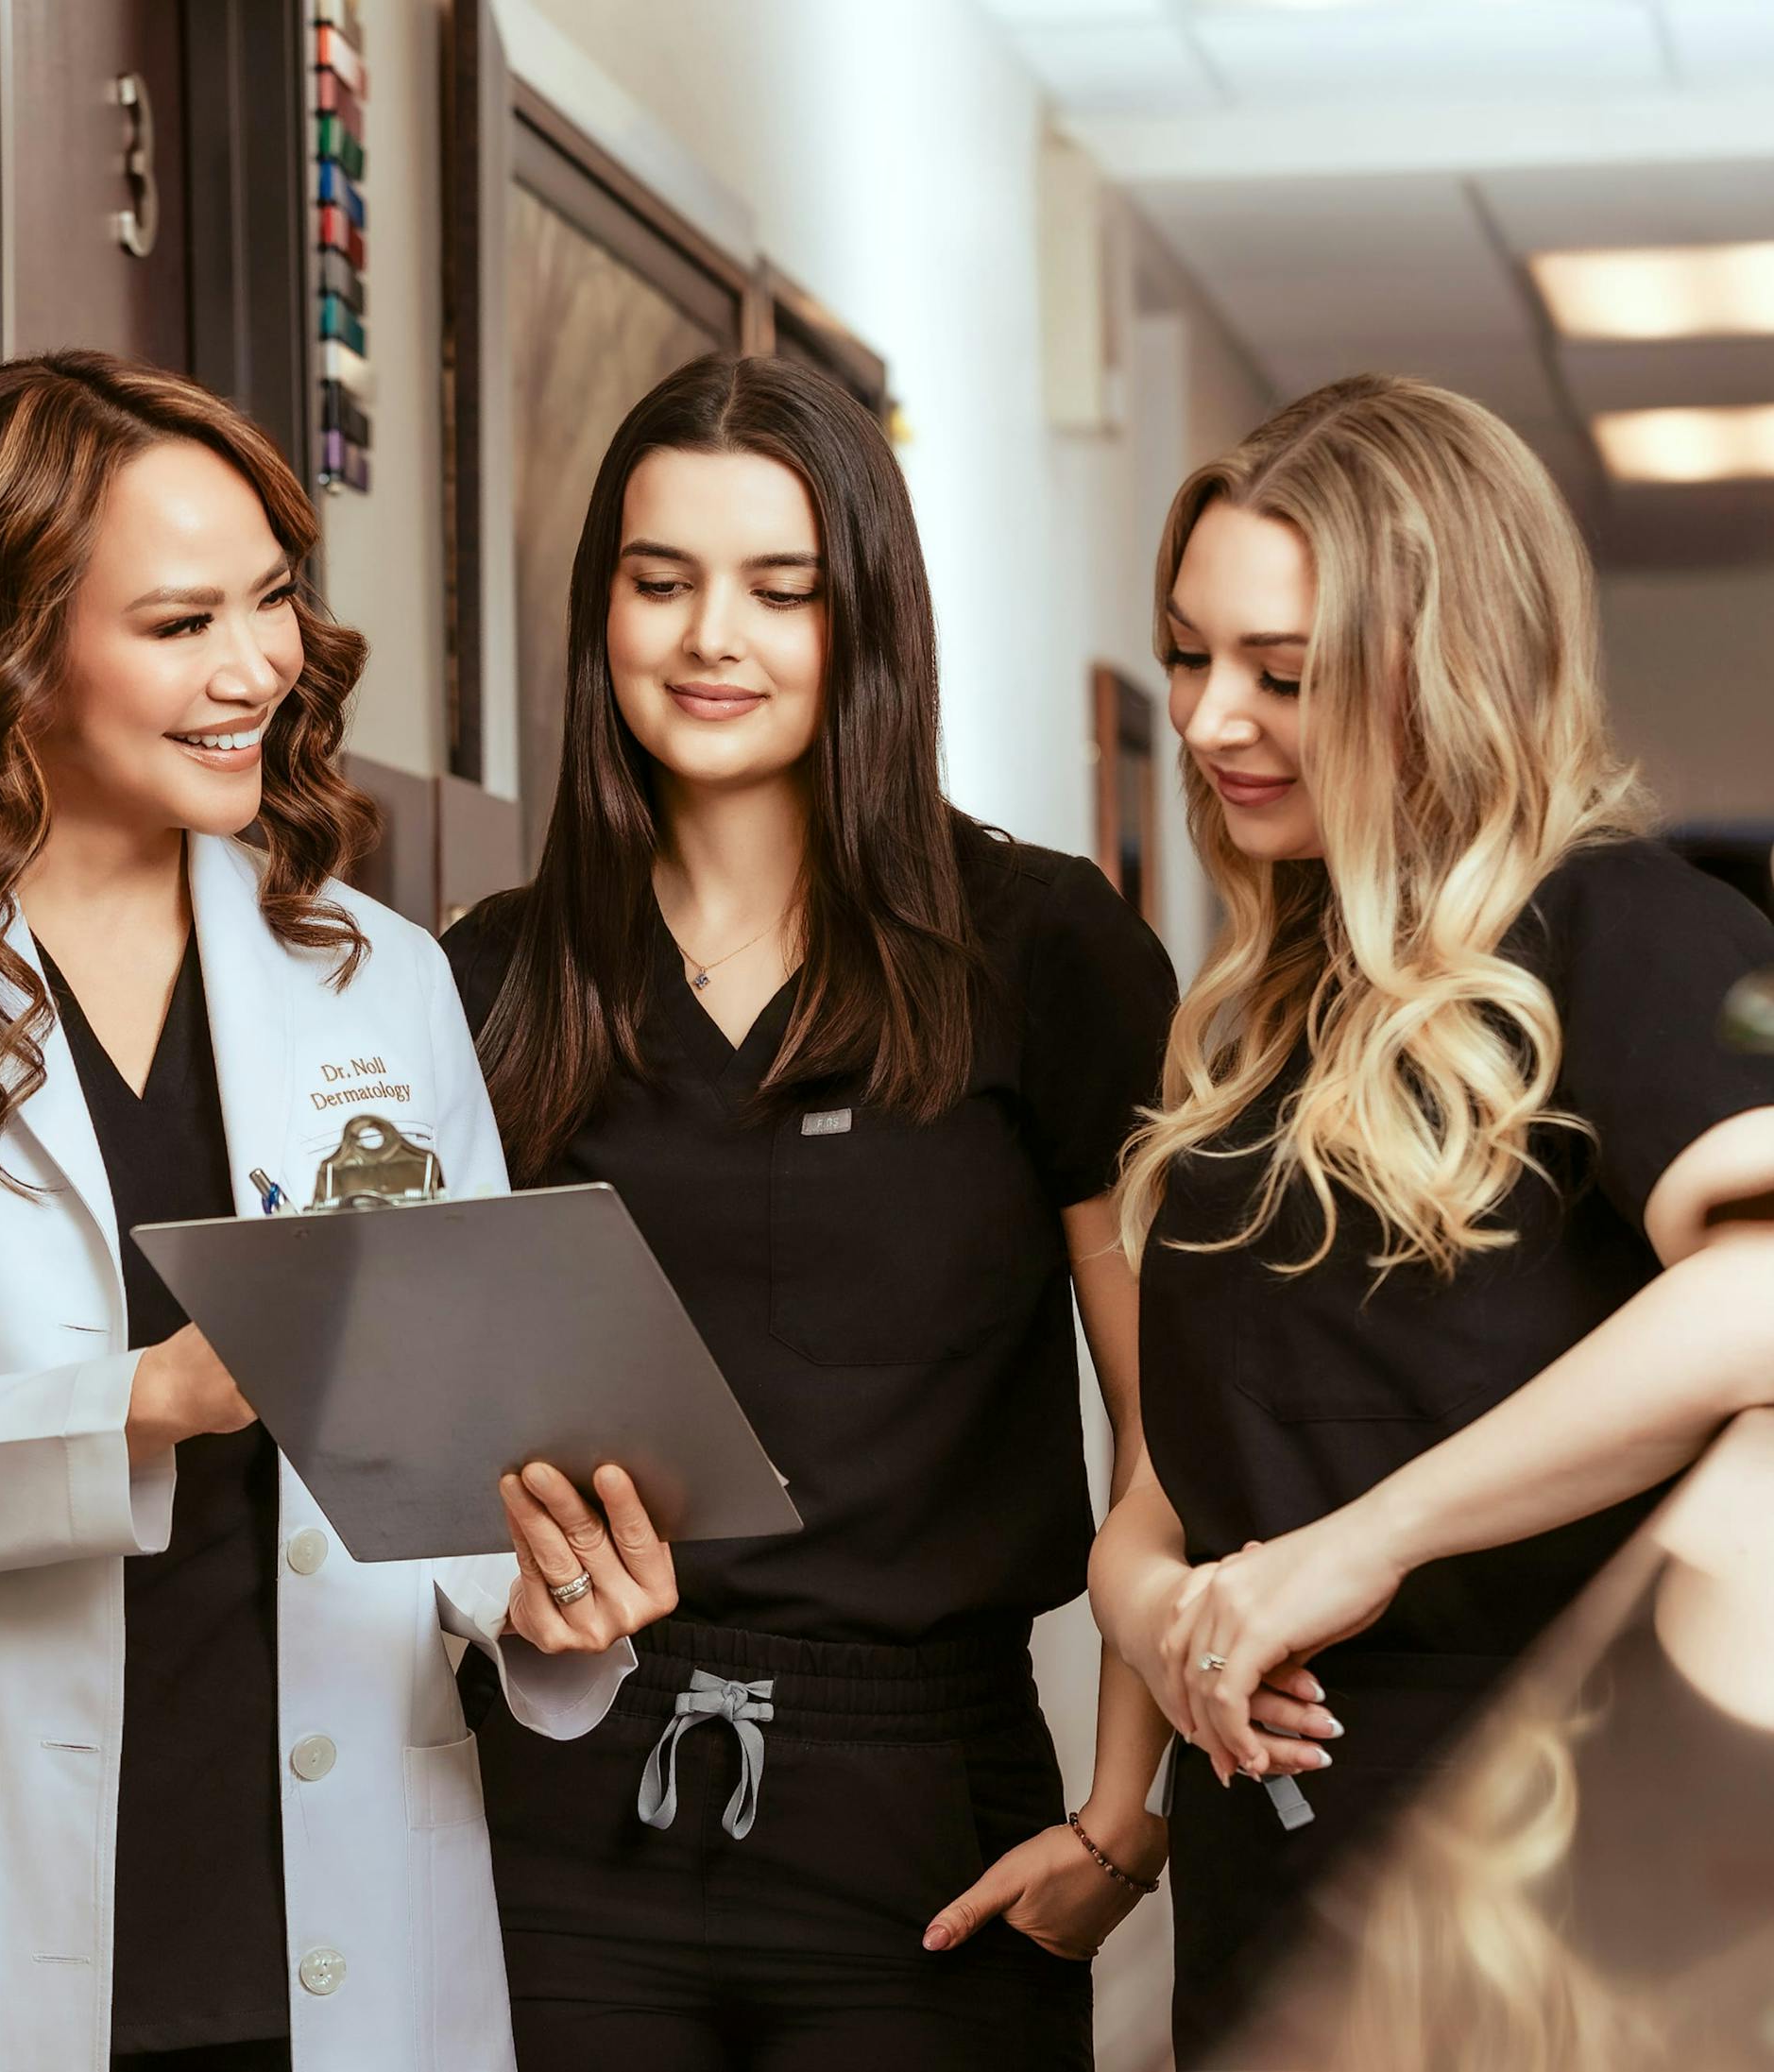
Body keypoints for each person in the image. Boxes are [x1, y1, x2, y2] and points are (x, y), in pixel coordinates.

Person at [0, 351, 676, 2072]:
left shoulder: (375, 976)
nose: (255, 670)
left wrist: (538, 1600)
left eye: (274, 600)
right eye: (177, 624)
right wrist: (145, 1401)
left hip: (325, 1898)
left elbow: (451, 1447)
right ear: (7, 654)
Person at [444, 351, 1229, 2070]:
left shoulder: (1041, 947)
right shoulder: (494, 976)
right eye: (662, 583)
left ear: (865, 617)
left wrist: (1120, 1812)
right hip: (566, 1798)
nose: (712, 636)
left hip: (929, 1809)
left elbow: (1170, 1414)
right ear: (601, 612)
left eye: (780, 590)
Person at [1083, 373, 1774, 2067]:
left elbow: (1761, 1296)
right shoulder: (1250, 1025)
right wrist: (1156, 1607)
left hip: (1548, 1884)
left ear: (1439, 674)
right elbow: (1174, 1475)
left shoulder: (1623, 926)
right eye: (1190, 656)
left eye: (1283, 675)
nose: (1208, 719)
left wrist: (1363, 1542)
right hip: (1274, 1879)